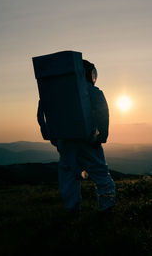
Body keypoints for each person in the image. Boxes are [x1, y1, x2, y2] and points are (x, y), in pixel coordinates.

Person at [37, 59, 116, 214]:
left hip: (65, 141)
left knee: (68, 175)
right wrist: (102, 136)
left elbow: (42, 114)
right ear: (87, 73)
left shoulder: (54, 92)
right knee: (100, 173)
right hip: (88, 139)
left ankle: (72, 210)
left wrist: (50, 135)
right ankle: (107, 208)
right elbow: (102, 113)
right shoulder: (93, 91)